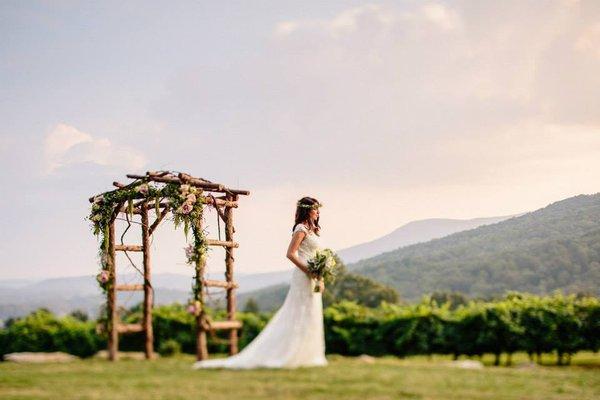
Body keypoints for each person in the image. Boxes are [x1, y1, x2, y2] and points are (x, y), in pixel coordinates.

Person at [192, 196, 328, 369]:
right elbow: (291, 254)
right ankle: (289, 353)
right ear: (307, 210)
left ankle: (308, 354)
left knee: (311, 312)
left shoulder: (314, 230)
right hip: (303, 276)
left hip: (314, 277)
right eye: (315, 209)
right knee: (297, 312)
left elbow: (317, 256)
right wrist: (309, 271)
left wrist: (319, 276)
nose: (318, 212)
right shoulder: (301, 229)